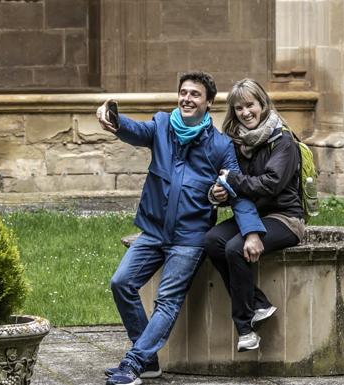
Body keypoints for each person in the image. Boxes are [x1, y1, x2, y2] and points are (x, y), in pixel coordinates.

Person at [96, 72, 266, 385]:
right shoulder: (162, 126)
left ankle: (134, 364)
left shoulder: (220, 145)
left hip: (189, 240)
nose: (187, 99)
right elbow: (136, 131)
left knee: (167, 301)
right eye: (183, 93)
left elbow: (236, 191)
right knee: (121, 283)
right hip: (154, 232)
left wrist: (252, 231)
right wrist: (115, 120)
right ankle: (148, 360)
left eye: (195, 95)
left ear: (209, 103)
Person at [205, 78, 305, 352]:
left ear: (263, 104)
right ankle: (258, 303)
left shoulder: (283, 140)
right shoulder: (237, 142)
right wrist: (219, 192)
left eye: (250, 105)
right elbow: (227, 180)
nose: (245, 112)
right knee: (212, 241)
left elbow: (272, 183)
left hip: (285, 218)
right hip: (252, 217)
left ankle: (245, 328)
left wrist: (234, 182)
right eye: (238, 108)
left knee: (236, 248)